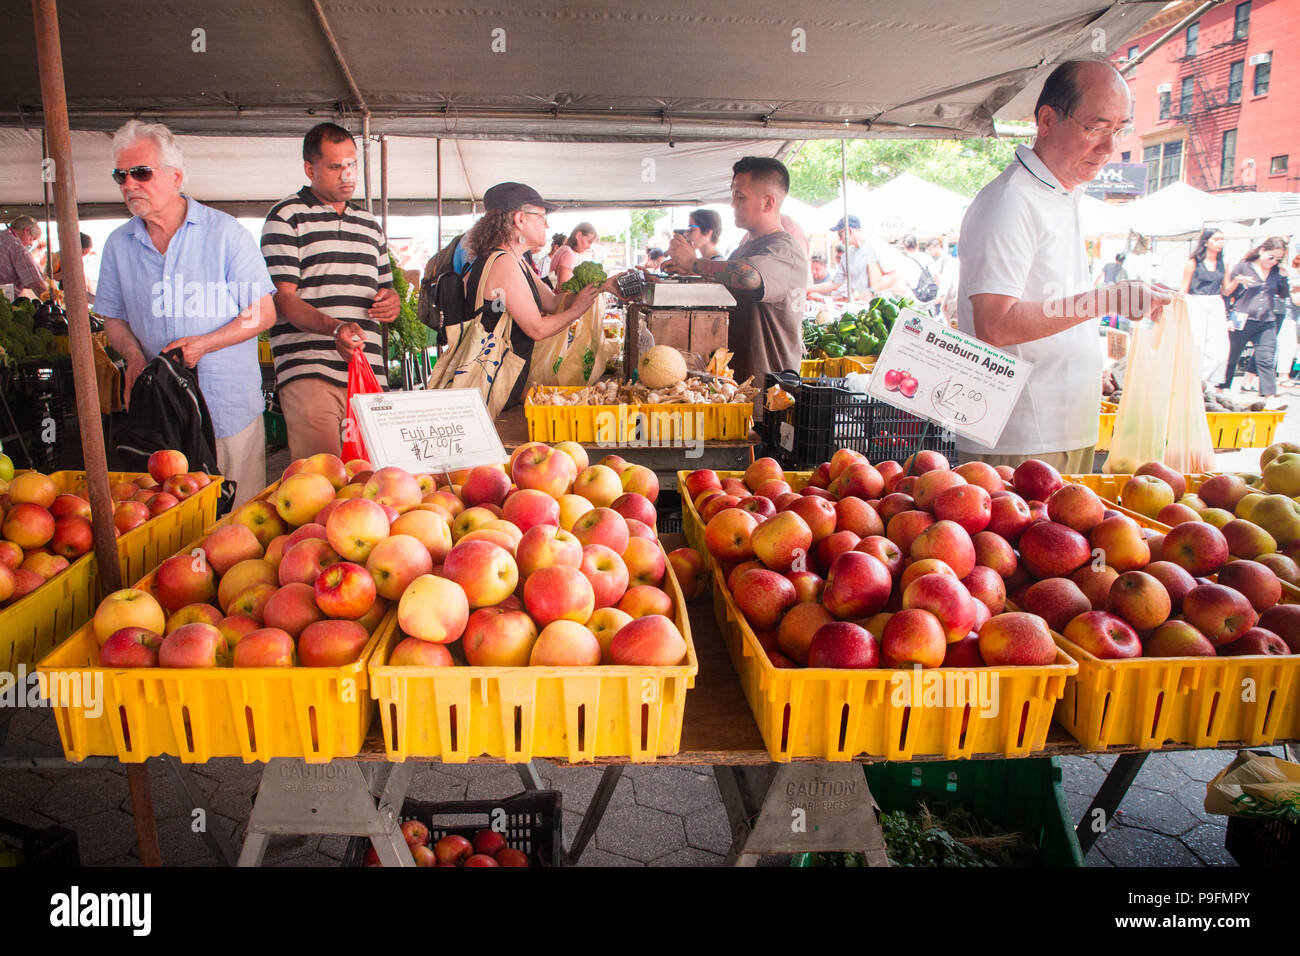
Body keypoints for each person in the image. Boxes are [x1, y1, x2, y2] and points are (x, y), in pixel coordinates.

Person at [956, 58, 1172, 470]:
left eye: (1119, 130)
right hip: (1023, 436)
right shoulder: (1011, 201)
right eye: (1096, 127)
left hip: (1064, 424)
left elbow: (1051, 302)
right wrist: (1109, 298)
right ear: (1047, 120)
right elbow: (996, 325)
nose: (1109, 147)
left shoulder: (1059, 194)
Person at [95, 120, 275, 508]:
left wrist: (205, 344)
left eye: (141, 172)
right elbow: (112, 317)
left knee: (236, 523)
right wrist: (133, 357)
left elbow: (262, 313)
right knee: (166, 524)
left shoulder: (226, 234)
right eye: (120, 175)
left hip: (227, 407)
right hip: (157, 412)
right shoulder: (117, 245)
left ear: (175, 176)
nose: (129, 184)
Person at [260, 123, 400, 461]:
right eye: (336, 166)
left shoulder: (369, 225)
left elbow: (386, 289)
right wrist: (335, 328)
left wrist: (391, 303)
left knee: (370, 475)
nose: (347, 175)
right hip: (309, 368)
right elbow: (283, 299)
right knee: (322, 479)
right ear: (310, 168)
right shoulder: (285, 218)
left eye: (351, 164)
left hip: (367, 371)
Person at [462, 182, 621, 409]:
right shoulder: (503, 263)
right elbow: (537, 329)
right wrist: (578, 310)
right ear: (520, 219)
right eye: (541, 216)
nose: (546, 225)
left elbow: (554, 302)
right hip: (491, 388)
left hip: (501, 383)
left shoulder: (516, 261)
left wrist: (602, 286)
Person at [663, 156, 807, 385]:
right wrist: (686, 273)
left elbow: (749, 277)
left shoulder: (784, 249)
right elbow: (728, 289)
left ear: (768, 203)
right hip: (737, 386)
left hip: (769, 394)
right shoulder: (745, 249)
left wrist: (694, 263)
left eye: (740, 196)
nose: (732, 204)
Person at [1220, 236, 1291, 400]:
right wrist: (1227, 317)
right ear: (1262, 251)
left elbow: (1283, 294)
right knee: (1232, 356)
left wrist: (1284, 277)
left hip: (1266, 320)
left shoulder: (1275, 271)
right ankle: (1221, 390)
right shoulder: (1243, 267)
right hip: (1241, 317)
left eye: (1278, 259)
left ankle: (1269, 397)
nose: (1273, 262)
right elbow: (1226, 293)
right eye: (1271, 257)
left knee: (1266, 358)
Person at [808, 216, 908, 301]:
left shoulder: (876, 246)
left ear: (849, 231)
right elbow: (834, 283)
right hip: (859, 309)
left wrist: (872, 290)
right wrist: (808, 288)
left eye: (840, 234)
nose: (839, 239)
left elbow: (894, 276)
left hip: (879, 307)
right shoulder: (847, 255)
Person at [1180, 227, 1231, 385]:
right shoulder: (1194, 263)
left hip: (1215, 300)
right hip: (1196, 301)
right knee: (1197, 341)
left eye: (1222, 239)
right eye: (1216, 239)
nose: (1220, 243)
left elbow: (1227, 290)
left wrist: (1238, 281)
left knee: (1219, 344)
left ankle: (1208, 380)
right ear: (1206, 242)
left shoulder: (1223, 263)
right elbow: (1184, 288)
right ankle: (1193, 378)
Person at [0, 215, 48, 298]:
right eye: (32, 238)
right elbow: (36, 283)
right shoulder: (16, 246)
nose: (31, 244)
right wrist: (52, 301)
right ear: (26, 230)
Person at [548, 223, 598, 288]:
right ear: (578, 235)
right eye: (589, 242)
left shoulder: (564, 249)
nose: (589, 247)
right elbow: (563, 289)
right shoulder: (568, 253)